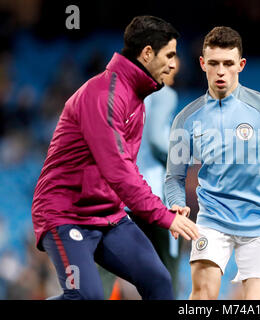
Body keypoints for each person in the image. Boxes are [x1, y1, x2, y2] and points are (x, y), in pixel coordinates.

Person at [31, 16, 199, 300]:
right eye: (169, 55)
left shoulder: (136, 97)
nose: (174, 64)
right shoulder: (103, 95)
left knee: (158, 281)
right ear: (147, 53)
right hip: (66, 215)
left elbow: (130, 169)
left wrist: (164, 209)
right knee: (87, 296)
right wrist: (162, 217)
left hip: (109, 216)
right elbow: (118, 170)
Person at [165, 26, 260, 300]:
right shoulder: (186, 119)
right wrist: (176, 206)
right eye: (213, 63)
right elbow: (173, 178)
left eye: (228, 63)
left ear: (241, 65)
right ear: (202, 64)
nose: (220, 71)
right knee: (202, 297)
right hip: (212, 220)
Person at [109, 57, 183, 299]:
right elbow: (156, 140)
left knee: (109, 271)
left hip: (124, 195)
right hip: (155, 196)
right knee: (167, 271)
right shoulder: (164, 94)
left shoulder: (125, 95)